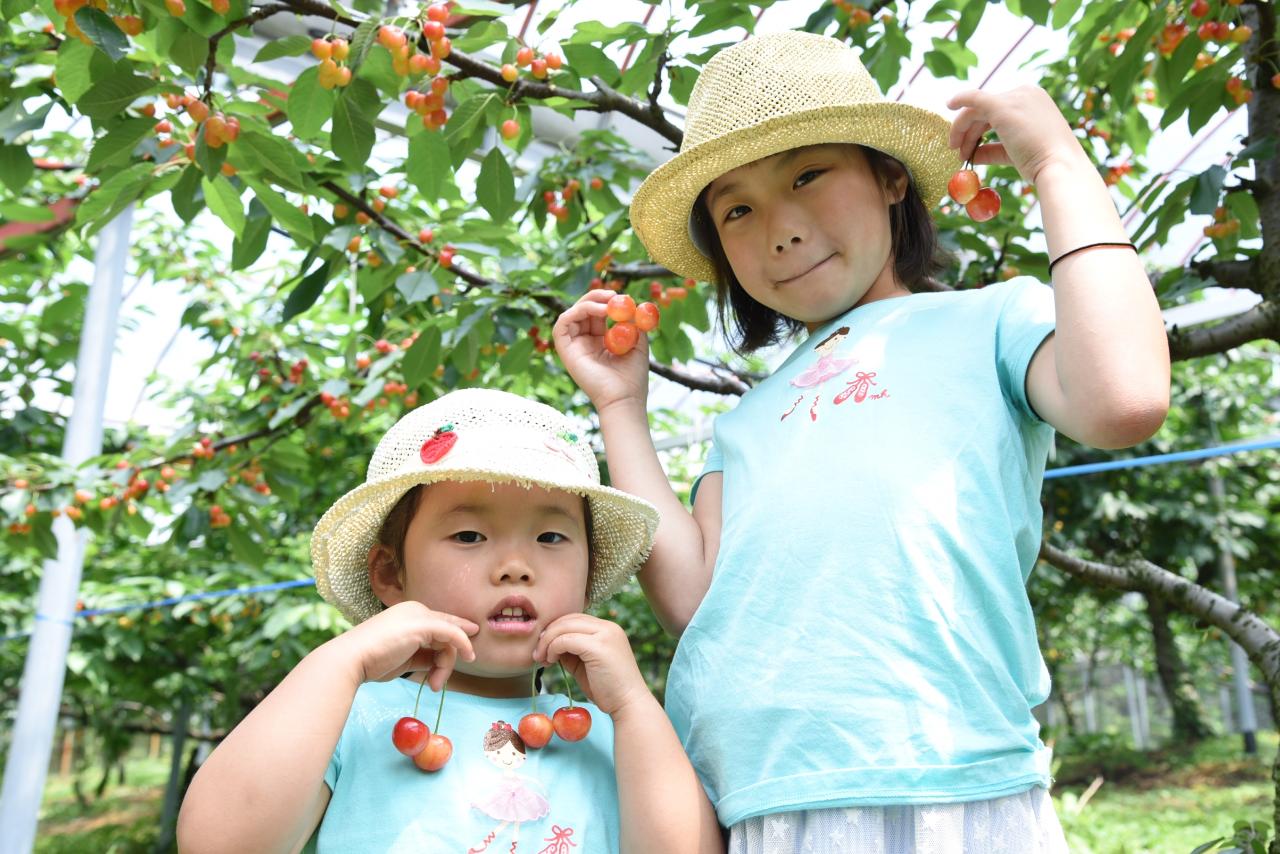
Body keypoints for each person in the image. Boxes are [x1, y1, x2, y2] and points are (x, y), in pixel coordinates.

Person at [553, 30, 1169, 854]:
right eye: (737, 209)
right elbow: (696, 603)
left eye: (807, 173)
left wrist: (1058, 165)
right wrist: (622, 408)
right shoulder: (746, 421)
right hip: (759, 795)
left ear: (889, 177)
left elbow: (1124, 400)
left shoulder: (986, 321)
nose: (778, 227)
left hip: (948, 782)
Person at [177, 388, 725, 853]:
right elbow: (216, 841)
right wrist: (343, 661)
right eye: (469, 536)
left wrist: (633, 705)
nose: (517, 567)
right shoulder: (353, 716)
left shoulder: (613, 731)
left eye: (551, 537)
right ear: (391, 575)